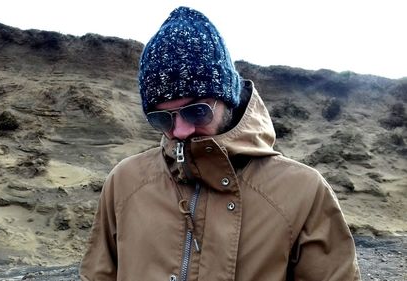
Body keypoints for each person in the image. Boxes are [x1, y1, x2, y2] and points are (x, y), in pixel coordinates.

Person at [80, 6, 361, 281]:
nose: (181, 130)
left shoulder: (304, 192)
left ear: (228, 100)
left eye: (197, 110)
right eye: (162, 118)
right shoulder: (124, 183)